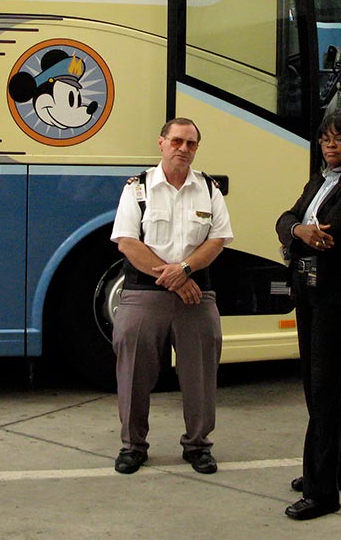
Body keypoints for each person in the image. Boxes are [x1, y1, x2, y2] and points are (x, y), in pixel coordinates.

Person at [109, 118, 233, 476]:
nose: (183, 148)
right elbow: (128, 243)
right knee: (132, 373)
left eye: (191, 143)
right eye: (177, 141)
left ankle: (198, 446)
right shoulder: (138, 189)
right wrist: (176, 278)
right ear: (161, 143)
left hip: (196, 293)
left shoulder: (208, 189)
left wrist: (187, 270)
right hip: (144, 292)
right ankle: (133, 446)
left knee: (201, 375)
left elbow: (218, 240)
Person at [275, 111, 341, 521]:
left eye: (338, 140)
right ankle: (334, 470)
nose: (329, 146)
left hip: (338, 296)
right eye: (324, 140)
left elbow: (330, 238)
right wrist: (299, 231)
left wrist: (299, 233)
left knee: (322, 388)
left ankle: (322, 494)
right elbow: (288, 218)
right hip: (309, 292)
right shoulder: (320, 179)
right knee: (316, 386)